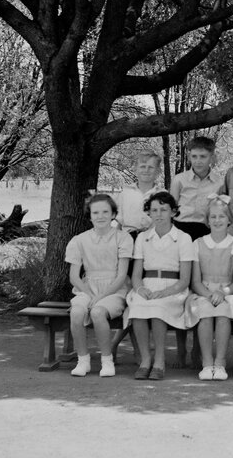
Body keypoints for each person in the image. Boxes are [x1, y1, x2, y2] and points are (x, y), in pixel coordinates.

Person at [125, 191, 195, 381]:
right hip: (147, 284)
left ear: (173, 212)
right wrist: (140, 289)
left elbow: (185, 279)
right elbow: (136, 274)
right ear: (149, 212)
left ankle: (159, 360)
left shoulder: (183, 238)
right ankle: (145, 359)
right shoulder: (142, 238)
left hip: (173, 288)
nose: (159, 214)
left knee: (158, 308)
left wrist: (165, 292)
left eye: (163, 210)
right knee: (138, 306)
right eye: (154, 210)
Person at [64, 193, 133, 377]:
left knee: (97, 312)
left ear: (113, 214)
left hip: (114, 289)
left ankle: (107, 360)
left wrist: (100, 297)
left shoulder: (123, 238)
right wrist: (89, 294)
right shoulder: (79, 240)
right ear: (90, 215)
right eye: (95, 212)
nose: (100, 216)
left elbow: (121, 275)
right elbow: (74, 277)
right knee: (77, 312)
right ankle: (83, 360)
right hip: (87, 288)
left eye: (105, 212)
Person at [187, 195, 233, 381]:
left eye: (221, 216)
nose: (217, 220)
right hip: (203, 291)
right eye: (213, 217)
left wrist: (222, 293)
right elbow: (195, 281)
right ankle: (207, 362)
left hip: (227, 292)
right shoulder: (198, 244)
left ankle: (220, 362)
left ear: (229, 219)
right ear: (207, 220)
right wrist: (209, 294)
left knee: (223, 312)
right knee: (205, 311)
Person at [169, 136, 221, 240]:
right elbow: (171, 208)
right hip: (181, 228)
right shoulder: (179, 180)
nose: (198, 161)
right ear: (189, 157)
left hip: (207, 230)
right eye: (194, 156)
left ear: (211, 158)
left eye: (203, 157)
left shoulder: (219, 183)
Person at [115, 149, 160, 236]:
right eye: (142, 166)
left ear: (157, 171)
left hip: (152, 238)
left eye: (150, 167)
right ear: (136, 169)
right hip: (128, 238)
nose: (146, 170)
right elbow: (120, 224)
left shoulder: (162, 195)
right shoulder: (126, 193)